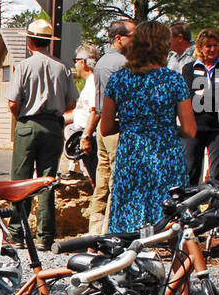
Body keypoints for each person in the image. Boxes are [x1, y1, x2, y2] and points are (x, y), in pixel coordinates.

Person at [101, 20, 197, 236]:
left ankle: (128, 264)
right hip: (166, 156)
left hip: (131, 156)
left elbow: (105, 128)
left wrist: (131, 124)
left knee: (127, 224)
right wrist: (166, 128)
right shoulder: (174, 80)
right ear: (163, 46)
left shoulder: (119, 79)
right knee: (172, 222)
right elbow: (190, 130)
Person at [8, 18, 78, 249]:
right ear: (47, 43)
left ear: (30, 42)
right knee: (47, 180)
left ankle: (17, 234)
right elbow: (71, 102)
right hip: (53, 127)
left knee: (21, 179)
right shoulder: (62, 67)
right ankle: (45, 237)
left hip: (28, 123)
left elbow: (12, 102)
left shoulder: (24, 66)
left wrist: (22, 118)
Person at [83, 18, 135, 233]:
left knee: (102, 182)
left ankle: (94, 232)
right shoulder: (123, 65)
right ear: (118, 38)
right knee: (118, 182)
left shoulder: (102, 62)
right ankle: (111, 233)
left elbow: (97, 104)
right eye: (133, 35)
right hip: (118, 127)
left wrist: (89, 132)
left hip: (102, 127)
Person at [180, 28, 219, 185]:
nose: (213, 49)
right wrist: (213, 94)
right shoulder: (189, 69)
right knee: (191, 170)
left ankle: (216, 209)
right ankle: (189, 207)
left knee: (217, 173)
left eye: (216, 45)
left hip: (217, 128)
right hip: (194, 126)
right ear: (200, 47)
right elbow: (190, 97)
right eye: (208, 45)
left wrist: (203, 93)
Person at [67, 46, 98, 182]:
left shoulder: (93, 83)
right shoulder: (90, 83)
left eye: (76, 60)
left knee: (94, 177)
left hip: (88, 138)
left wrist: (86, 136)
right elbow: (82, 112)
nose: (75, 64)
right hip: (83, 135)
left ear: (83, 62)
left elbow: (94, 111)